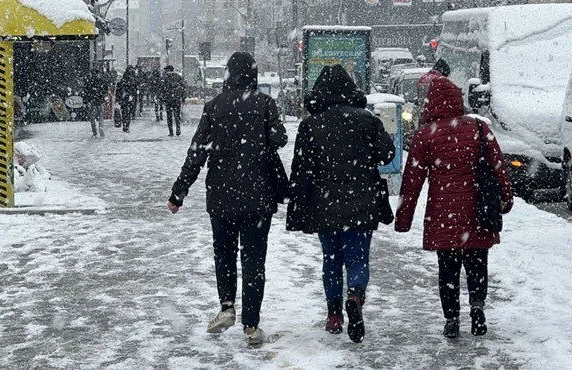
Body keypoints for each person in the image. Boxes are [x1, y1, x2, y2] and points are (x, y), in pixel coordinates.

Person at [167, 52, 287, 345]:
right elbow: (279, 139)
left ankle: (227, 307)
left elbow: (196, 153)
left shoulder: (213, 107)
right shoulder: (265, 104)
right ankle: (252, 325)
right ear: (254, 75)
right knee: (254, 259)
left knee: (224, 253)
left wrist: (178, 192)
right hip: (258, 197)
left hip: (221, 196)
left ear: (228, 75)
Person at [394, 74, 513, 338]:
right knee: (477, 263)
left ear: (430, 103)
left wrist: (403, 219)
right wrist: (506, 198)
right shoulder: (479, 129)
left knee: (447, 269)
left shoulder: (426, 135)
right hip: (477, 213)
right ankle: (478, 306)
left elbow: (412, 181)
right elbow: (498, 167)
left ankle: (452, 318)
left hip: (443, 216)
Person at [286, 64, 395, 343]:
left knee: (331, 260)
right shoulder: (367, 120)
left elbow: (301, 169)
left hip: (325, 204)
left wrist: (297, 204)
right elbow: (387, 155)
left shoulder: (310, 125)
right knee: (358, 257)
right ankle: (356, 297)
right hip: (362, 202)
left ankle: (334, 314)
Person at [160, 65, 186, 136]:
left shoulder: (164, 77)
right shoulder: (178, 77)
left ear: (168, 70)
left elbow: (162, 89)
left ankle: (171, 132)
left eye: (166, 69)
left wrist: (162, 98)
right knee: (177, 115)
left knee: (169, 116)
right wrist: (183, 98)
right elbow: (183, 88)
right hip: (177, 99)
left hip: (168, 99)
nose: (165, 71)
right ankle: (178, 129)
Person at [83, 69, 109, 138]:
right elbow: (105, 91)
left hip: (92, 101)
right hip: (100, 101)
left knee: (92, 117)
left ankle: (94, 132)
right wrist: (105, 99)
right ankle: (101, 126)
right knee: (100, 115)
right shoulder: (102, 81)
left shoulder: (89, 82)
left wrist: (85, 101)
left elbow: (85, 92)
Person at [115, 66, 137, 133]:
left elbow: (118, 90)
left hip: (124, 99)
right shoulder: (132, 79)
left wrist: (118, 100)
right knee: (128, 113)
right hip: (129, 98)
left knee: (125, 112)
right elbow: (134, 89)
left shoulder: (123, 80)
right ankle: (126, 126)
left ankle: (125, 125)